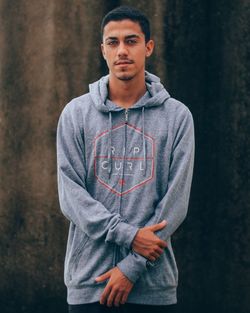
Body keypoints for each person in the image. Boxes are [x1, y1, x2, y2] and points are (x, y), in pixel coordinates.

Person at [56, 5, 195, 313]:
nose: (122, 50)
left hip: (152, 287)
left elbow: (175, 204)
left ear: (148, 47)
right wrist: (130, 236)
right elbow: (71, 196)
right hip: (90, 282)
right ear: (102, 49)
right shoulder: (76, 114)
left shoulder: (177, 117)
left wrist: (132, 267)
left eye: (131, 41)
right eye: (113, 42)